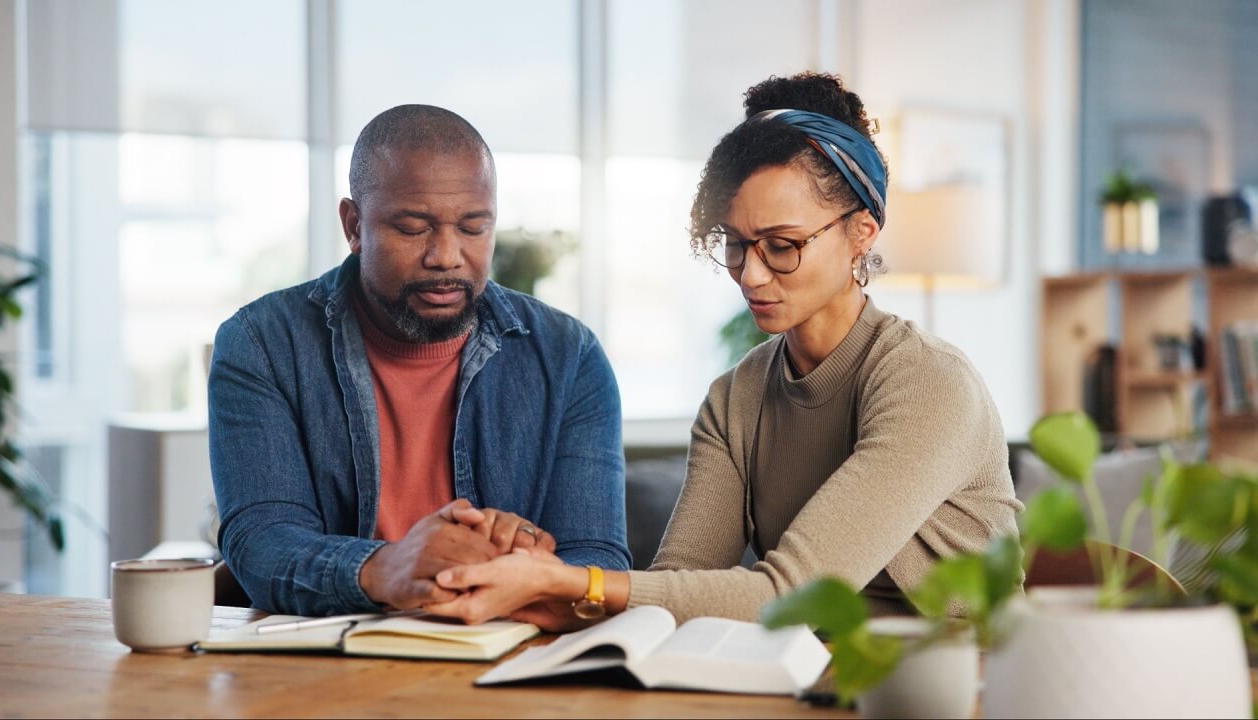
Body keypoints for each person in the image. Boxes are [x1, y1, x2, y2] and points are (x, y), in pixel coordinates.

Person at [421, 72, 1023, 629]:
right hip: (806, 676)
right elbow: (676, 586)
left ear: (862, 231)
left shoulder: (927, 383)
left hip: (962, 684)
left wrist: (576, 581)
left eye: (782, 245)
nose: (751, 276)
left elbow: (791, 593)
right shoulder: (735, 398)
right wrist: (539, 587)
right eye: (735, 244)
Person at [208, 105, 630, 617]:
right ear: (354, 225)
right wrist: (389, 566)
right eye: (413, 229)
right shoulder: (262, 345)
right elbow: (263, 542)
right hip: (321, 669)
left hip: (507, 664)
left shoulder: (570, 358)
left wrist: (518, 568)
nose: (447, 256)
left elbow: (597, 561)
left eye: (474, 228)